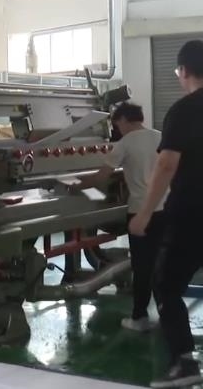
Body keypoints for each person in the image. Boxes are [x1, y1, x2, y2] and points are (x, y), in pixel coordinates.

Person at [128, 40, 203, 387]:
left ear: (184, 70)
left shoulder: (183, 110)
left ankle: (184, 363)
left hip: (190, 213)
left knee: (165, 284)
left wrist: (144, 213)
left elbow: (167, 164)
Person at [70, 102, 167, 331]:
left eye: (117, 124)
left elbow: (102, 177)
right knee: (162, 264)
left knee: (142, 266)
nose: (117, 129)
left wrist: (75, 185)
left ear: (123, 120)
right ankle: (167, 312)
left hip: (140, 211)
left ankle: (139, 317)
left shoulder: (125, 143)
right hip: (165, 209)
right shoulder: (160, 137)